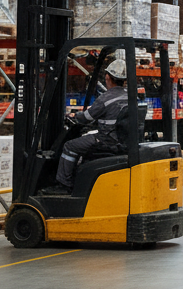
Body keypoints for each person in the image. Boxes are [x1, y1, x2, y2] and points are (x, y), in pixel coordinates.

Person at [49, 57, 129, 193]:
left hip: (107, 140)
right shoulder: (129, 97)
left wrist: (74, 116)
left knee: (70, 146)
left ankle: (64, 185)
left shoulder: (105, 99)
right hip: (122, 139)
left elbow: (86, 118)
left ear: (108, 77)